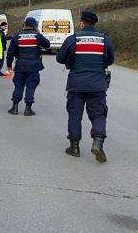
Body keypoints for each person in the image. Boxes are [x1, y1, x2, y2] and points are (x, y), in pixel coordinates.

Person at [56, 11, 114, 162]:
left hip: (76, 83)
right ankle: (98, 143)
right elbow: (111, 60)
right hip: (97, 84)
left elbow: (60, 58)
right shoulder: (104, 39)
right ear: (95, 23)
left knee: (75, 115)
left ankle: (74, 147)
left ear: (82, 23)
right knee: (98, 115)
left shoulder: (73, 39)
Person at [6, 17, 51, 116]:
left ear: (24, 25)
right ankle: (28, 109)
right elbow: (47, 45)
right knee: (31, 86)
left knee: (18, 85)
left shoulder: (17, 36)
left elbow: (10, 53)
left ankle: (15, 107)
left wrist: (9, 65)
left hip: (20, 65)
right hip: (33, 65)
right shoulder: (37, 36)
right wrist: (39, 35)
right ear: (34, 26)